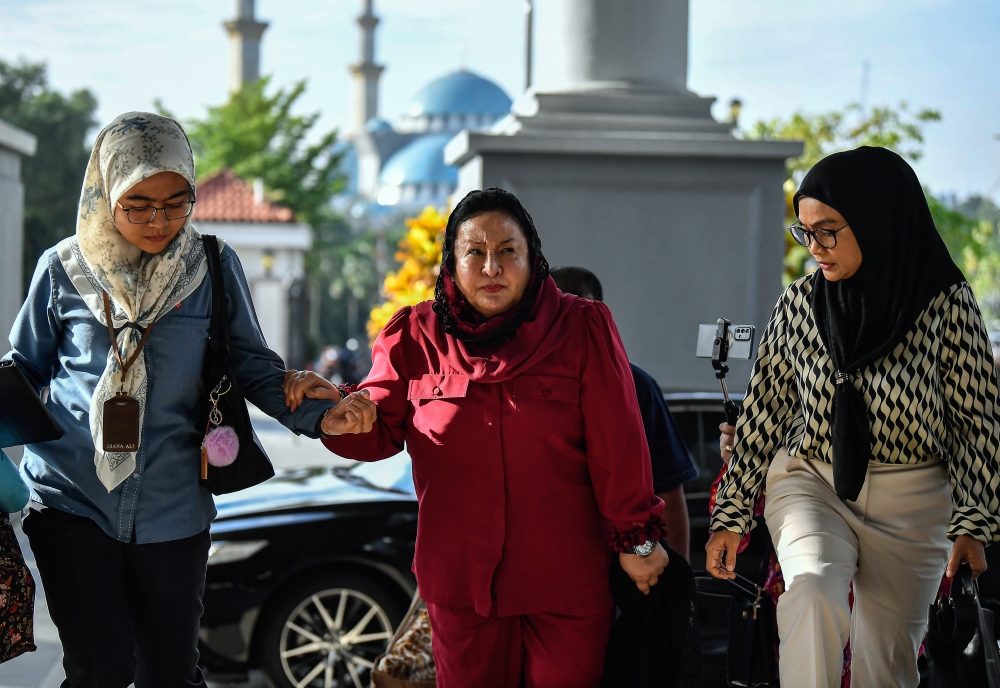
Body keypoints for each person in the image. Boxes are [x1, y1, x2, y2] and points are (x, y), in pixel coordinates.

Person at [283, 188, 667, 688]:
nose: (492, 267)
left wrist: (636, 538)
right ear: (452, 262)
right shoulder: (414, 335)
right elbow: (376, 422)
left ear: (533, 260)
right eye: (475, 252)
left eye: (508, 251)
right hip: (461, 587)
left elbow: (619, 443)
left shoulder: (582, 327)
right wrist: (340, 417)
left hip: (565, 584)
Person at [4, 112, 335, 687]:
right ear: (106, 193)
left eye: (177, 202)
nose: (159, 221)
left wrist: (324, 415)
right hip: (71, 499)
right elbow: (24, 369)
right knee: (98, 669)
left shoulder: (211, 265)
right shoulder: (61, 271)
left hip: (173, 508)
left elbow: (252, 365)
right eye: (138, 205)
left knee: (172, 674)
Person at [705, 146, 1000, 688]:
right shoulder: (797, 304)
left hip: (914, 497)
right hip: (811, 480)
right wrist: (731, 513)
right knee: (812, 592)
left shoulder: (946, 303)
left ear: (875, 218)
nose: (814, 247)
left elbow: (976, 422)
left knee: (884, 665)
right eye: (804, 232)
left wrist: (973, 524)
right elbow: (765, 413)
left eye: (828, 231)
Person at [550, 266, 697, 559]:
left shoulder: (636, 386)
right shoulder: (524, 385)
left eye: (578, 314)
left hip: (618, 566)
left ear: (599, 316)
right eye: (554, 315)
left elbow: (667, 491)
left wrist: (675, 586)